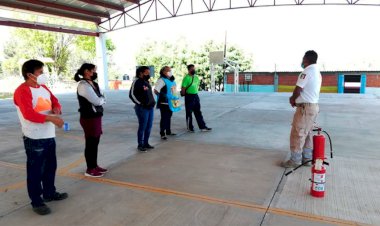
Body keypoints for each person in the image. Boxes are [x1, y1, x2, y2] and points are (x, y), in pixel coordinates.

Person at [13, 59, 68, 215]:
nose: (43, 75)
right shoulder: (22, 91)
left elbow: (55, 101)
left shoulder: (43, 87)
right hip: (34, 136)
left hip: (49, 134)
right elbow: (29, 114)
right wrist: (52, 119)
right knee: (36, 170)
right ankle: (37, 201)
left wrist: (56, 109)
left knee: (51, 167)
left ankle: (49, 193)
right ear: (29, 74)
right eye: (40, 72)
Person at [282, 50, 322, 168]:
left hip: (305, 108)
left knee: (298, 133)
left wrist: (292, 99)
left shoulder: (307, 71)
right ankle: (307, 158)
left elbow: (298, 89)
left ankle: (295, 160)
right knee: (307, 133)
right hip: (313, 107)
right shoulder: (317, 72)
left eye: (303, 58)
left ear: (306, 59)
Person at [74, 63, 107, 177]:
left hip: (96, 116)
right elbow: (97, 101)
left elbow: (102, 97)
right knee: (91, 143)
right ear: (86, 71)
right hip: (89, 117)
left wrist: (101, 99)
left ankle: (94, 165)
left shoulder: (93, 84)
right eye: (93, 70)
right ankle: (90, 168)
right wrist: (101, 99)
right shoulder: (83, 85)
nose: (94, 72)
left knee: (95, 142)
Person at [129, 66, 156, 152]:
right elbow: (132, 95)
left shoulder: (146, 81)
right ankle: (140, 144)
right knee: (143, 126)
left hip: (150, 107)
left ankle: (146, 143)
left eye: (149, 73)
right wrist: (140, 103)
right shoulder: (136, 82)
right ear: (141, 73)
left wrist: (152, 102)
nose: (148, 74)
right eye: (147, 73)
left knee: (149, 126)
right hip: (142, 108)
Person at [181, 64, 212, 132]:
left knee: (198, 112)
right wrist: (184, 94)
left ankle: (202, 127)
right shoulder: (186, 78)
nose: (193, 70)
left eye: (194, 69)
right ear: (189, 70)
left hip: (195, 96)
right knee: (189, 113)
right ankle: (190, 127)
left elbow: (196, 86)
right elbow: (183, 88)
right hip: (189, 96)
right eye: (192, 69)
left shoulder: (196, 77)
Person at [154, 66, 181, 140]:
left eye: (170, 70)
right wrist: (164, 96)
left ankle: (168, 131)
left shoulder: (171, 80)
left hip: (172, 101)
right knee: (164, 117)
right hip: (164, 102)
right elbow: (156, 90)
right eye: (168, 71)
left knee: (169, 116)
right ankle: (162, 133)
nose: (170, 72)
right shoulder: (161, 80)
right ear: (163, 72)